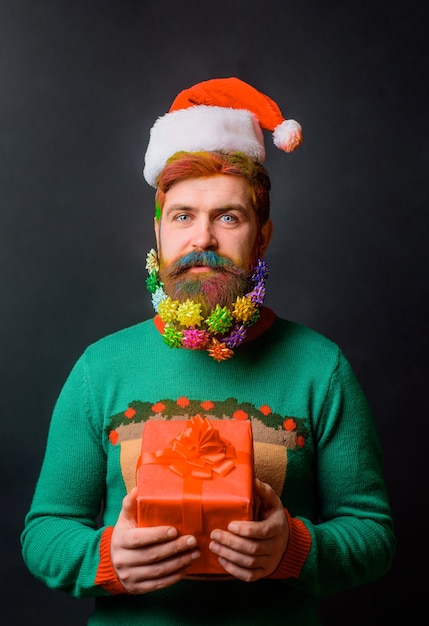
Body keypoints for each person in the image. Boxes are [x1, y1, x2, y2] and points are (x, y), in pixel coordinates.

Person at [21, 77, 396, 625]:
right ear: (158, 233)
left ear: (261, 236)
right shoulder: (99, 369)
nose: (203, 239)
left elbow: (373, 533)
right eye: (182, 216)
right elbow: (45, 530)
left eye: (228, 217)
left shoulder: (321, 369)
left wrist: (291, 549)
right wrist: (105, 559)